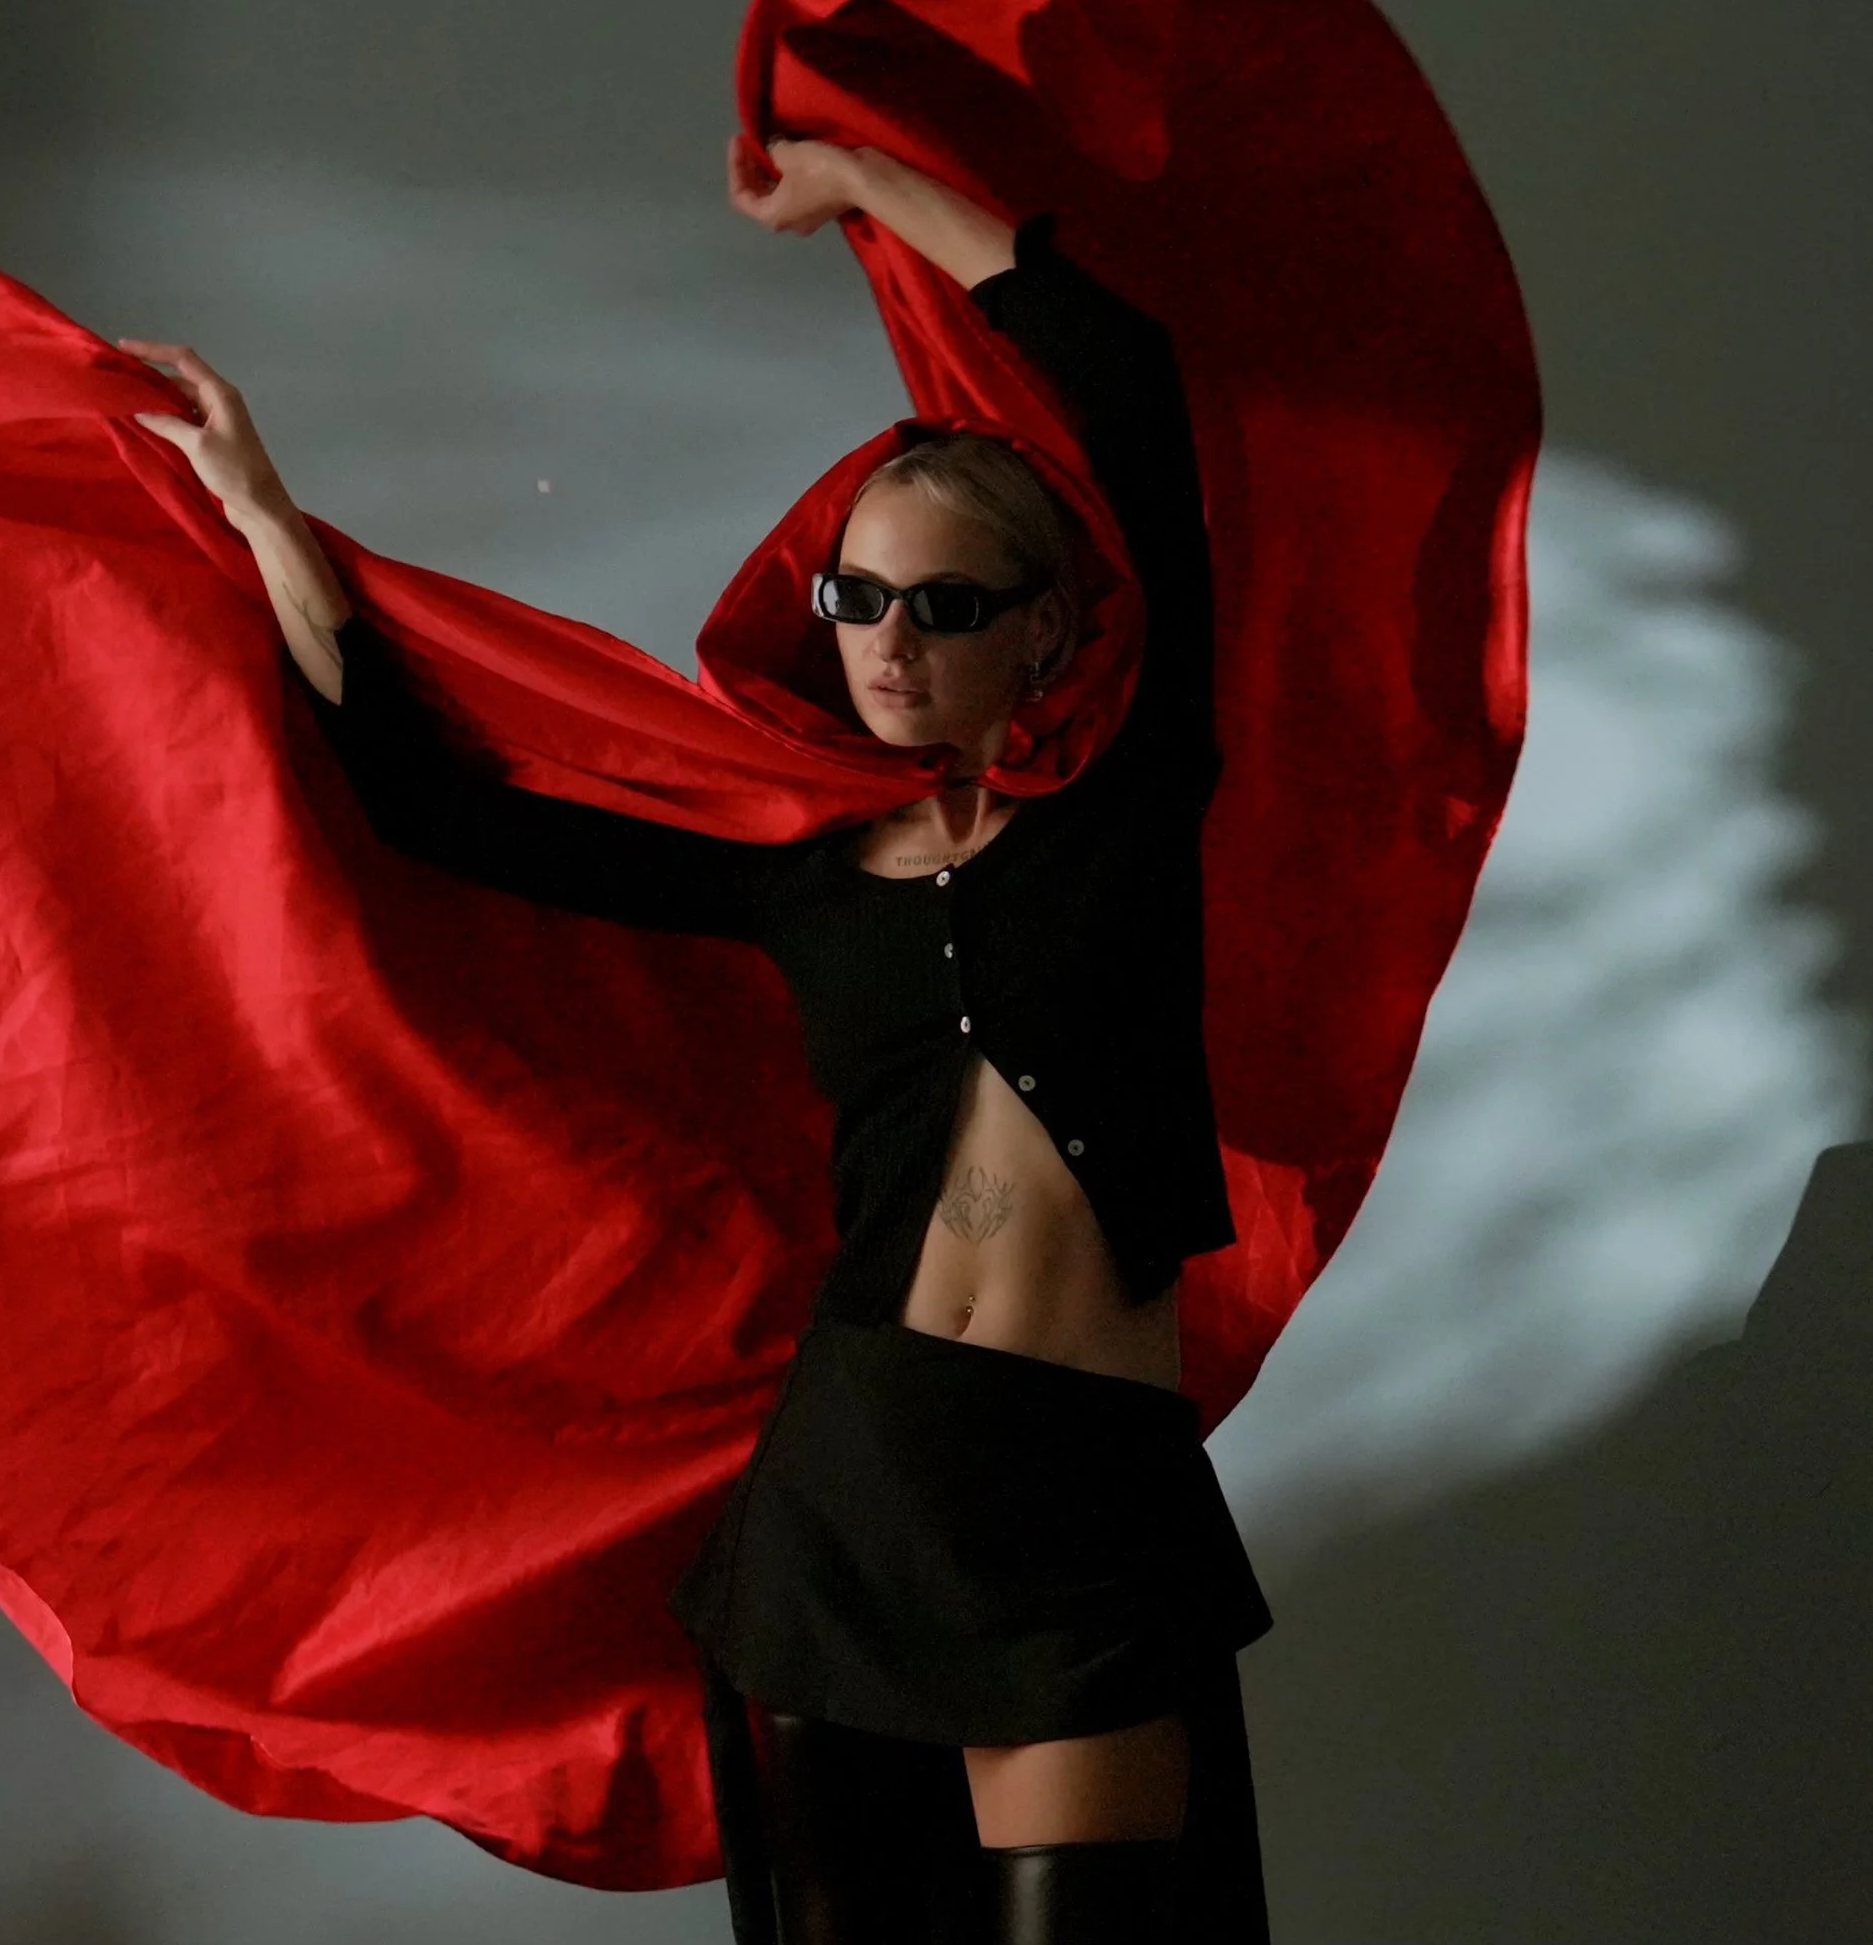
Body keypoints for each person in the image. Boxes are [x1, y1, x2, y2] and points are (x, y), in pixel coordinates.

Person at [120, 131, 1270, 1945]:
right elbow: (442, 808)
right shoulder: (801, 873)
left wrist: (874, 189)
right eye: (859, 598)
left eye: (947, 604)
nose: (891, 641)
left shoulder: (1134, 804)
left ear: (1046, 630)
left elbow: (1126, 386)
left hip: (1075, 1499)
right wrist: (266, 515)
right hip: (848, 1495)